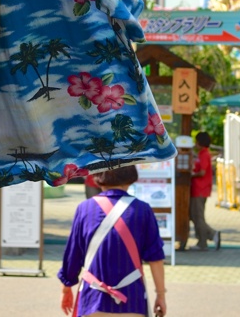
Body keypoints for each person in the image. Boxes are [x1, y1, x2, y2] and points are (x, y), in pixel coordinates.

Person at [59, 166, 168, 317]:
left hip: (93, 298)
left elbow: (73, 254)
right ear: (130, 176)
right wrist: (161, 295)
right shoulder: (143, 210)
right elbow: (155, 258)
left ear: (98, 176)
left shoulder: (85, 208)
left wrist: (67, 287)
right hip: (132, 301)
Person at [188, 132, 220, 251]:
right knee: (193, 215)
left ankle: (203, 242)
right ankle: (210, 234)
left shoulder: (205, 154)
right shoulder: (201, 154)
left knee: (198, 216)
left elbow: (202, 172)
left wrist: (192, 175)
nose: (195, 144)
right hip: (198, 189)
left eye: (196, 141)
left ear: (200, 142)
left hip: (200, 189)